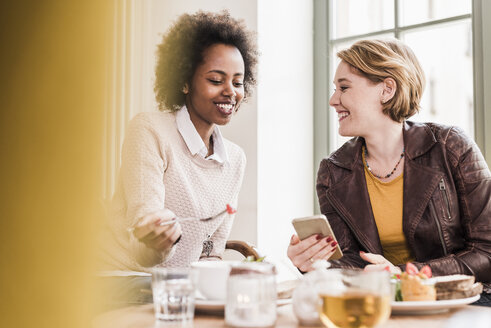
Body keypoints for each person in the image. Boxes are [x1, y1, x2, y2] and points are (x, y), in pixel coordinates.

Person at [287, 39, 491, 305]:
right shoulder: (333, 171)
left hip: (459, 301)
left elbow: (486, 251)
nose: (333, 100)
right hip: (381, 305)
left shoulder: (450, 146)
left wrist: (404, 275)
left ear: (387, 89)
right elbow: (350, 262)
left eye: (344, 87)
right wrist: (313, 264)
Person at [99, 10, 258, 307]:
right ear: (184, 82)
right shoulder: (149, 130)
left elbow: (210, 251)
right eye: (215, 79)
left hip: (179, 290)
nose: (230, 92)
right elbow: (144, 246)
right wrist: (156, 237)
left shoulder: (235, 158)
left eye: (237, 82)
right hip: (125, 279)